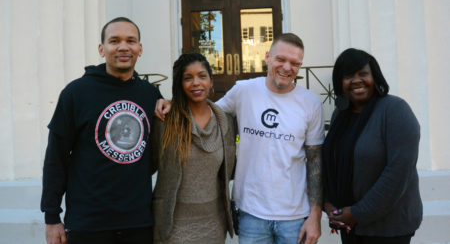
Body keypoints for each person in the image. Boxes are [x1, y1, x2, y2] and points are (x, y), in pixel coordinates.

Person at [156, 33, 325, 244]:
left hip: (294, 217)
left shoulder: (311, 103)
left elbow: (315, 161)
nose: (287, 67)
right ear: (267, 57)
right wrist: (174, 103)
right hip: (250, 214)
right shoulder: (244, 91)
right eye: (280, 60)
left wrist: (316, 215)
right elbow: (206, 109)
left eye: (295, 63)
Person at [40, 17, 162, 244]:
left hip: (139, 223)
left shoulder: (150, 95)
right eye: (114, 41)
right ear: (101, 48)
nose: (123, 47)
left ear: (140, 48)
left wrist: (171, 103)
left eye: (131, 41)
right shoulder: (76, 93)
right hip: (89, 224)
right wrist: (52, 216)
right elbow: (56, 157)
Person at [322, 48, 422, 244]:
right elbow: (331, 160)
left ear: (374, 77)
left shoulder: (395, 110)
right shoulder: (340, 116)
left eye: (363, 74)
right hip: (350, 226)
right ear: (340, 83)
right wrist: (329, 203)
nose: (357, 80)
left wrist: (358, 212)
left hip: (388, 229)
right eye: (349, 76)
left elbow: (398, 173)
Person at [150, 52, 236, 244]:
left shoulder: (226, 122)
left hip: (214, 225)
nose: (196, 83)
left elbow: (229, 171)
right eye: (188, 78)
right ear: (180, 84)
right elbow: (148, 165)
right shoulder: (165, 121)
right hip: (172, 227)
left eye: (202, 76)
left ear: (211, 81)